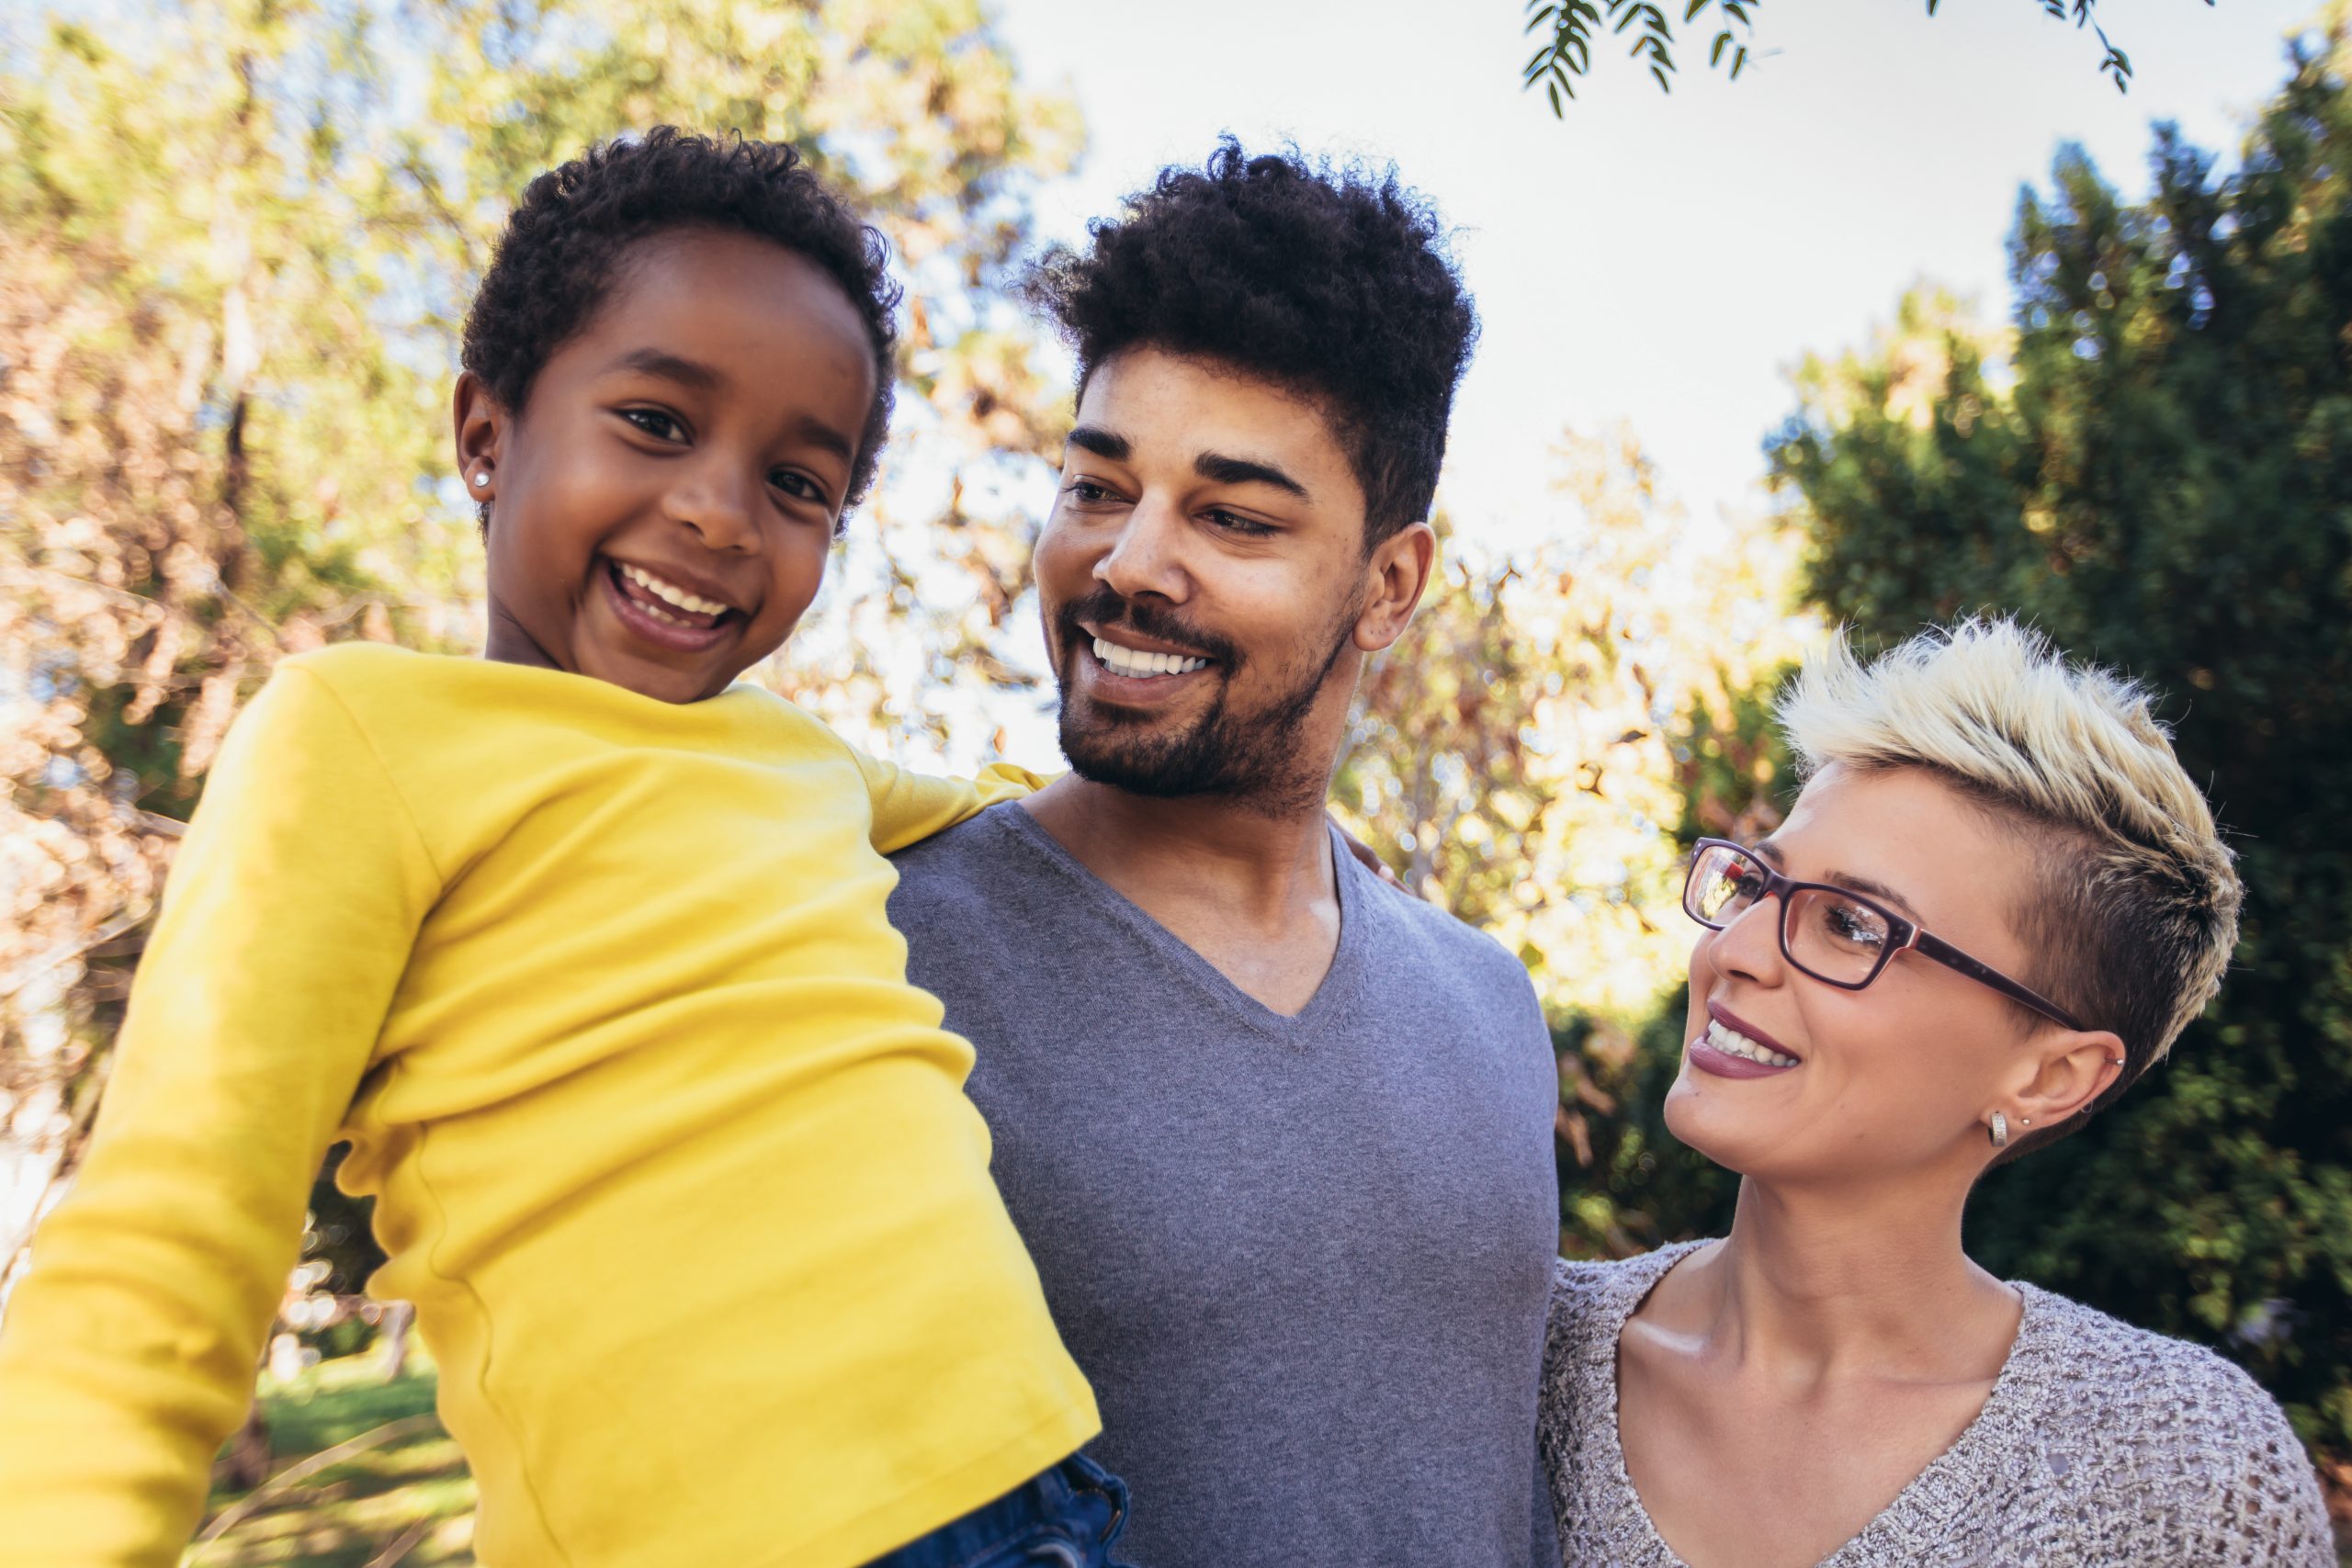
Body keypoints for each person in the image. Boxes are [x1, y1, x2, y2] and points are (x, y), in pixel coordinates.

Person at [0, 130, 1127, 1568]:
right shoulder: (362, 735)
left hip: (1050, 1482)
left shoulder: (794, 751)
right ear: (486, 434)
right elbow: (171, 1229)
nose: (722, 511)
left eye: (799, 483)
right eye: (657, 421)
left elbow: (993, 797)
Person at [887, 141, 1563, 1567]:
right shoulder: (882, 957)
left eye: (1233, 516)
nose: (1129, 559)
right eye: (1094, 485)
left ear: (1389, 584)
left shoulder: (1492, 1005)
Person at [1538, 619, 2335, 1567]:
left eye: (1852, 925)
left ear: (2049, 1077)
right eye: (1757, 884)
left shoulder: (2188, 1476)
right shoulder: (1516, 1357)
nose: (1736, 952)